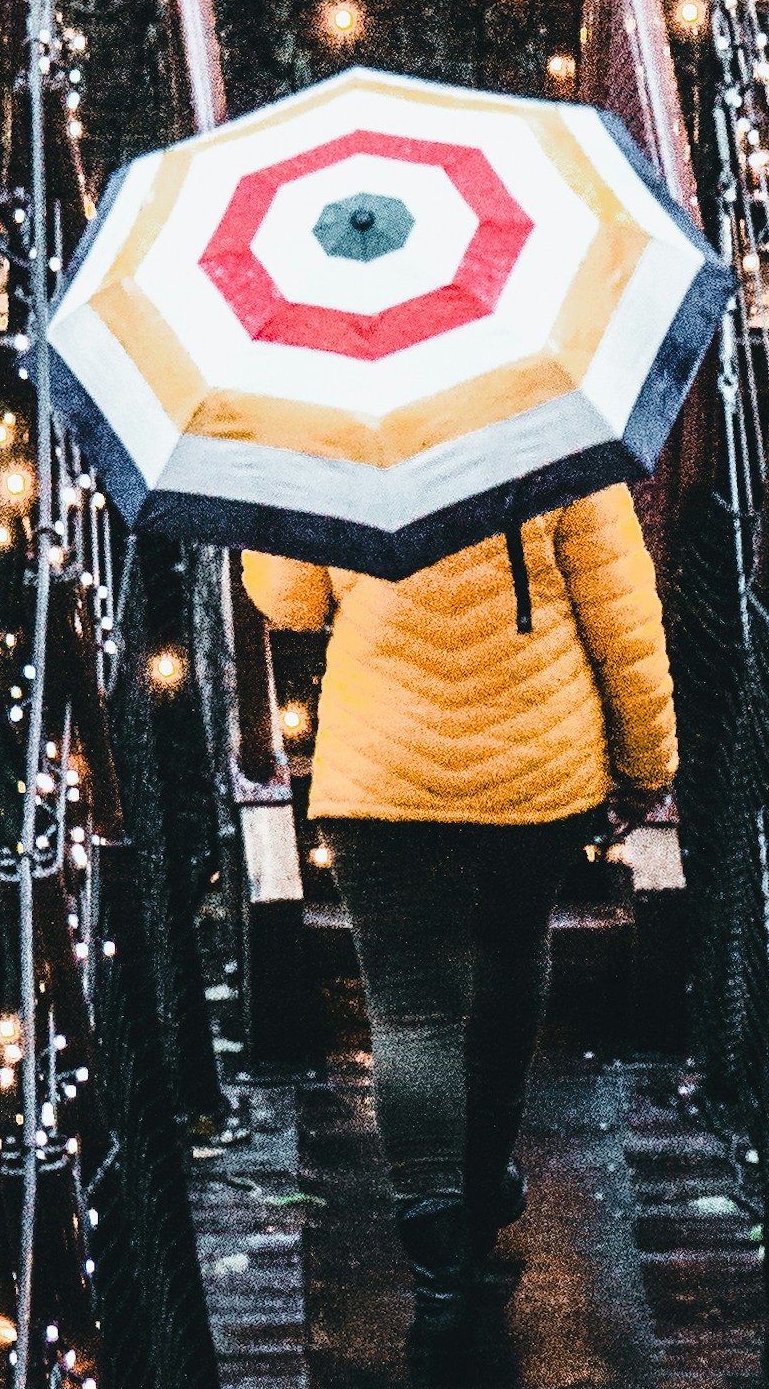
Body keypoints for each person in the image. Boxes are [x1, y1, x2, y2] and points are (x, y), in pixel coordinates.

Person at [245, 488, 676, 1295]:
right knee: (512, 961)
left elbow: (291, 601)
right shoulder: (555, 412)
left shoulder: (334, 417)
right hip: (534, 762)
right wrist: (645, 764)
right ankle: (481, 1187)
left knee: (410, 1005)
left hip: (382, 770)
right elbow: (623, 619)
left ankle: (435, 1238)